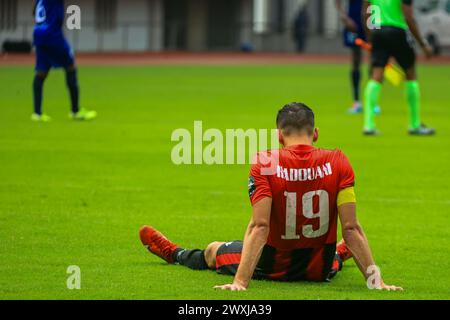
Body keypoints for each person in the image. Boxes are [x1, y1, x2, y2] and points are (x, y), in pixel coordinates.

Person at [139, 102, 403, 291]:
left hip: (274, 265)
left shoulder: (265, 162)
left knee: (213, 250)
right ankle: (341, 252)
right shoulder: (339, 161)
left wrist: (240, 283)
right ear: (316, 132)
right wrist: (376, 281)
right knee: (340, 248)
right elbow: (351, 226)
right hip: (319, 268)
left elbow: (260, 226)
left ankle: (176, 253)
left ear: (279, 136)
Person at [362, 0, 435, 135]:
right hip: (398, 31)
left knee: (376, 76)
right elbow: (408, 16)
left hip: (378, 31)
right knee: (411, 74)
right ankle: (414, 124)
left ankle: (369, 125)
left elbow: (366, 12)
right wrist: (423, 43)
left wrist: (371, 37)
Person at [32, 0, 96, 122]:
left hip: (39, 33)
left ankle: (37, 113)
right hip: (52, 35)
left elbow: (34, 11)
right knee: (70, 66)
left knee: (41, 73)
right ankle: (75, 111)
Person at [336, 0, 380, 114]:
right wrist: (344, 17)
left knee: (374, 60)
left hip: (372, 18)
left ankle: (373, 102)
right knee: (355, 60)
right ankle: (356, 102)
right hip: (354, 20)